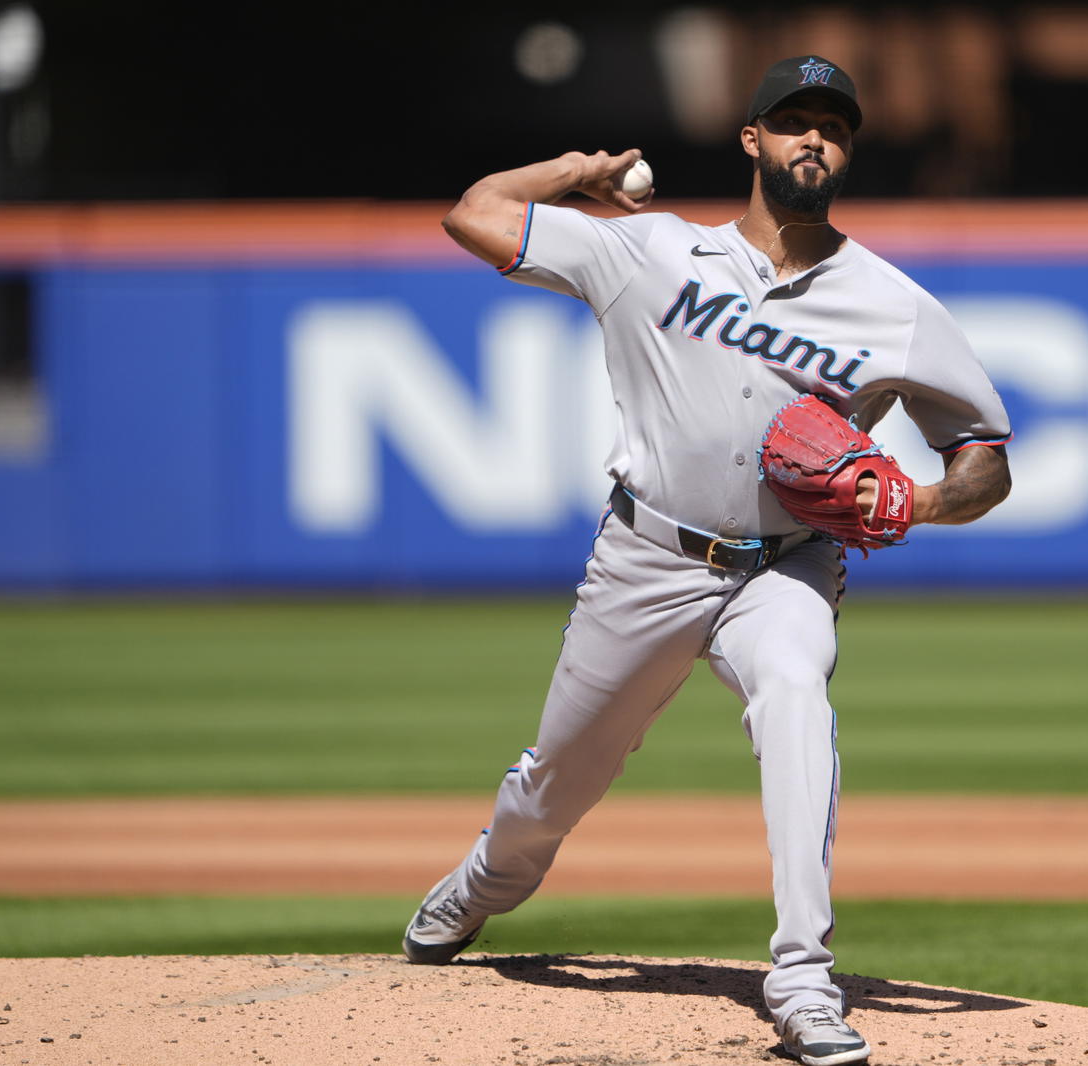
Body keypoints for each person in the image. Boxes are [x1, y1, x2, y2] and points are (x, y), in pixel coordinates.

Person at [403, 55, 1012, 1066]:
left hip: (786, 566)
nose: (811, 137)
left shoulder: (894, 305)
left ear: (847, 149)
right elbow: (473, 213)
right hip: (646, 557)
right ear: (752, 140)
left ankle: (803, 978)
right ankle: (483, 881)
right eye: (791, 120)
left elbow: (984, 458)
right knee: (558, 781)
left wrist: (921, 499)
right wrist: (574, 172)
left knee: (793, 693)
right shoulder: (647, 250)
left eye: (831, 125)